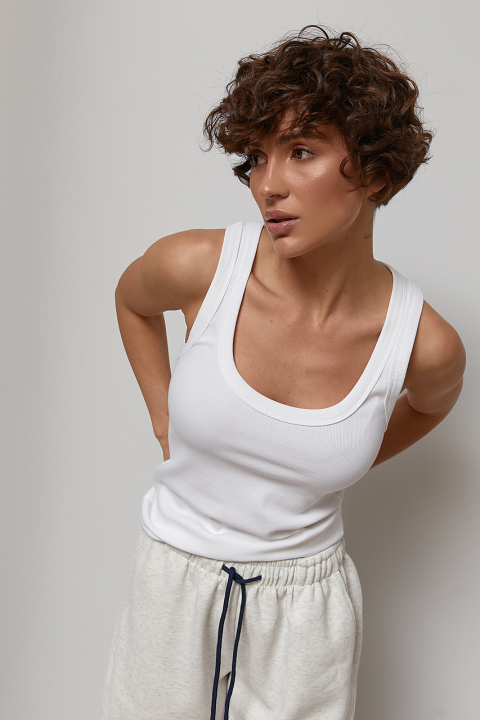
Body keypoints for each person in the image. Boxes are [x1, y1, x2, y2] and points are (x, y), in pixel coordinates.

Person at [100, 25, 466, 720]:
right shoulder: (200, 267)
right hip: (172, 584)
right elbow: (130, 300)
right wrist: (163, 414)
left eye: (301, 152)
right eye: (256, 157)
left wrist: (341, 452)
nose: (267, 185)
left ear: (376, 171)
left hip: (306, 615)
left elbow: (429, 404)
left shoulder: (424, 344)